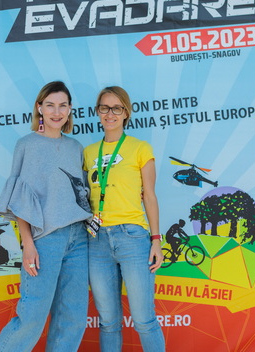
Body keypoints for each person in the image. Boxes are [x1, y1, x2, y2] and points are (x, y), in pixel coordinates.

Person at [0, 81, 92, 352]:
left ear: (70, 109)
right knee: (32, 318)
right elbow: (21, 201)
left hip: (79, 239)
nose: (57, 112)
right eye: (50, 105)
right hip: (45, 240)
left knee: (72, 319)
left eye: (62, 106)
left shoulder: (75, 147)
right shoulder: (27, 145)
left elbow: (82, 194)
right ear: (39, 108)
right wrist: (28, 244)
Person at [83, 86, 165, 351]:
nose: (110, 114)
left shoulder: (140, 148)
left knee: (144, 320)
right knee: (108, 322)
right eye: (104, 108)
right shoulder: (88, 152)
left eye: (116, 108)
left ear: (126, 112)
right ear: (98, 112)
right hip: (96, 241)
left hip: (132, 237)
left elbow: (149, 196)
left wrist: (156, 240)